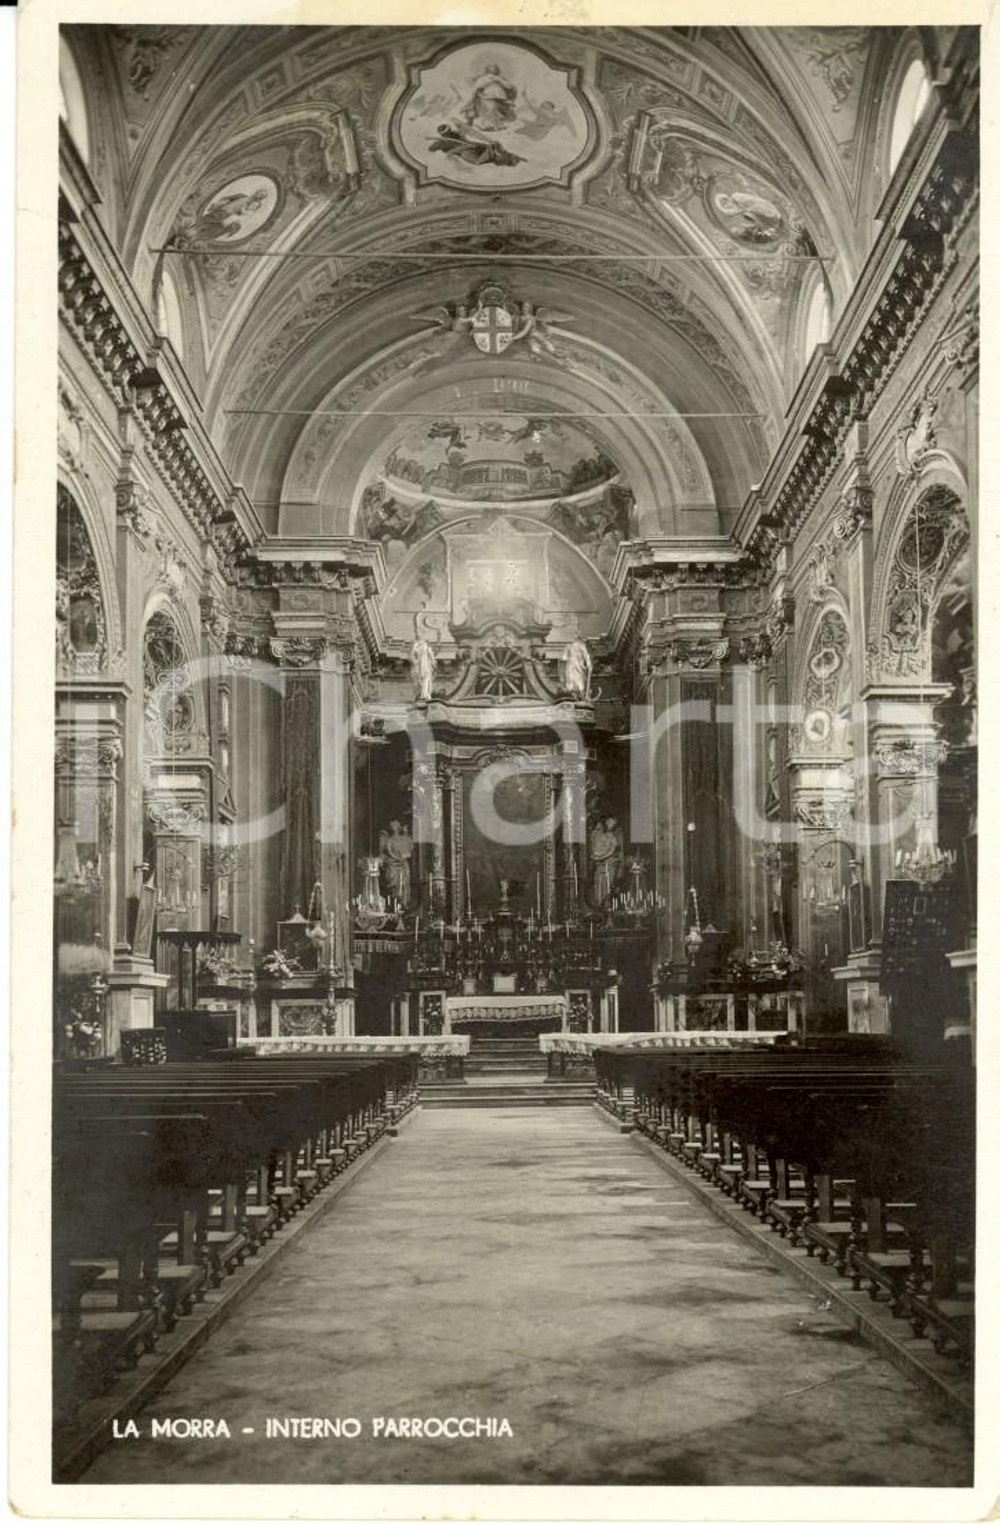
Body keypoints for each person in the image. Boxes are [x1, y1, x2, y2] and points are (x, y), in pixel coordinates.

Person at [379, 821, 414, 907]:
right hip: (394, 864)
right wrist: (397, 858)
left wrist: (403, 857)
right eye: (393, 827)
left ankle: (403, 903)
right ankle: (395, 902)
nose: (394, 828)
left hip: (403, 864)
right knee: (394, 884)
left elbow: (410, 849)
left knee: (404, 883)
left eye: (396, 826)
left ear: (398, 827)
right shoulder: (390, 840)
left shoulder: (405, 839)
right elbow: (389, 851)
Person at [590, 817, 623, 906]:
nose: (610, 824)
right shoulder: (597, 834)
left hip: (610, 865)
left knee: (608, 886)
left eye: (613, 823)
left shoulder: (613, 836)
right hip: (600, 865)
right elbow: (596, 850)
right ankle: (600, 902)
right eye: (609, 821)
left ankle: (606, 903)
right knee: (599, 886)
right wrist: (599, 857)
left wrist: (603, 856)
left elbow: (614, 849)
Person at [564, 634, 592, 699]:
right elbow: (586, 655)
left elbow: (564, 657)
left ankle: (578, 696)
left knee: (575, 680)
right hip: (576, 665)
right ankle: (578, 695)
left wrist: (589, 664)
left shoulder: (569, 646)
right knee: (577, 680)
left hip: (573, 665)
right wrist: (589, 664)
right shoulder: (581, 645)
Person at [411, 633, 437, 703]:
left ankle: (424, 695)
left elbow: (413, 655)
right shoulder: (426, 647)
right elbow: (431, 657)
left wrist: (416, 661)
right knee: (425, 680)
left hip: (421, 667)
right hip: (424, 667)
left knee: (423, 681)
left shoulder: (417, 646)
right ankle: (425, 695)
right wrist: (434, 663)